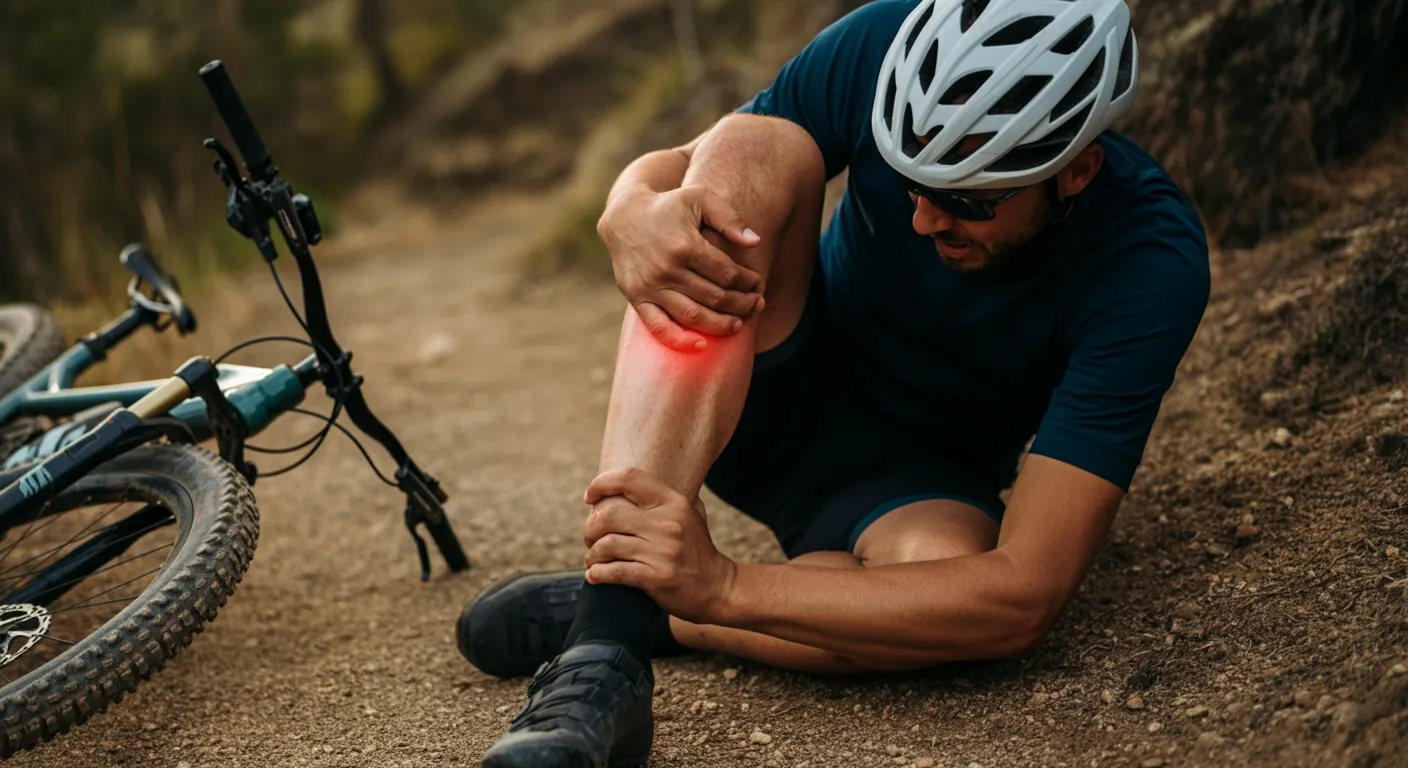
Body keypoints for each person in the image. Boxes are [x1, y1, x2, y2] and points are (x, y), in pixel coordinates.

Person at [468, 0, 1210, 765]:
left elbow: (1025, 595)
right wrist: (627, 209)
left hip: (909, 491)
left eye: (967, 199)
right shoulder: (885, 43)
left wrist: (721, 588)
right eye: (908, 176)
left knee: (949, 596)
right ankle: (604, 646)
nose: (924, 220)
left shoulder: (1150, 262)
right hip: (755, 387)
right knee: (754, 145)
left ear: (1077, 168)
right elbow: (698, 161)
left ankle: (661, 612)